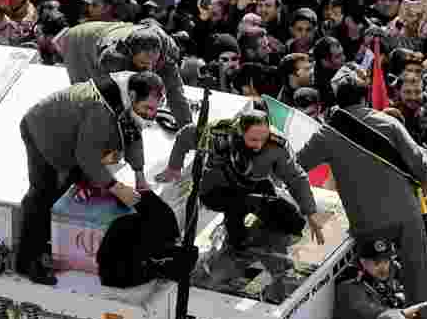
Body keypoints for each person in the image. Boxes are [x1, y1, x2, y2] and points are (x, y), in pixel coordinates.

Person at [296, 66, 427, 319]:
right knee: (418, 278)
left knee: (371, 282)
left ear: (337, 99)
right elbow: (420, 167)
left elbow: (297, 166)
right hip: (407, 212)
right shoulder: (389, 123)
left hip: (368, 221)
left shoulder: (327, 134)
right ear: (365, 98)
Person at [16, 71, 165, 285]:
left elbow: (133, 134)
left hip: (75, 132)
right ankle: (28, 260)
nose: (152, 114)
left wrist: (140, 177)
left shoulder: (136, 89)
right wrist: (117, 187)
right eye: (149, 109)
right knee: (44, 192)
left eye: (156, 108)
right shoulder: (101, 111)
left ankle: (55, 233)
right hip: (42, 129)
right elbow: (87, 157)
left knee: (84, 176)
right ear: (132, 96)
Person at [158, 109, 325, 250]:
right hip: (217, 188)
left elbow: (295, 177)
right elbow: (185, 135)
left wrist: (310, 211)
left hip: (254, 182)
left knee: (292, 222)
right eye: (253, 139)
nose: (259, 145)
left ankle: (261, 228)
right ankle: (234, 238)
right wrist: (174, 167)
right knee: (240, 218)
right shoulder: (217, 133)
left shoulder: (277, 144)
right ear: (239, 132)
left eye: (263, 138)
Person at [56, 19, 192, 126]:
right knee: (90, 100)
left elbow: (176, 93)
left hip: (108, 32)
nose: (149, 69)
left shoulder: (167, 54)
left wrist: (187, 127)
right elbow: (112, 96)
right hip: (80, 44)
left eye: (153, 63)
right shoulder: (115, 58)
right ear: (131, 56)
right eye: (143, 64)